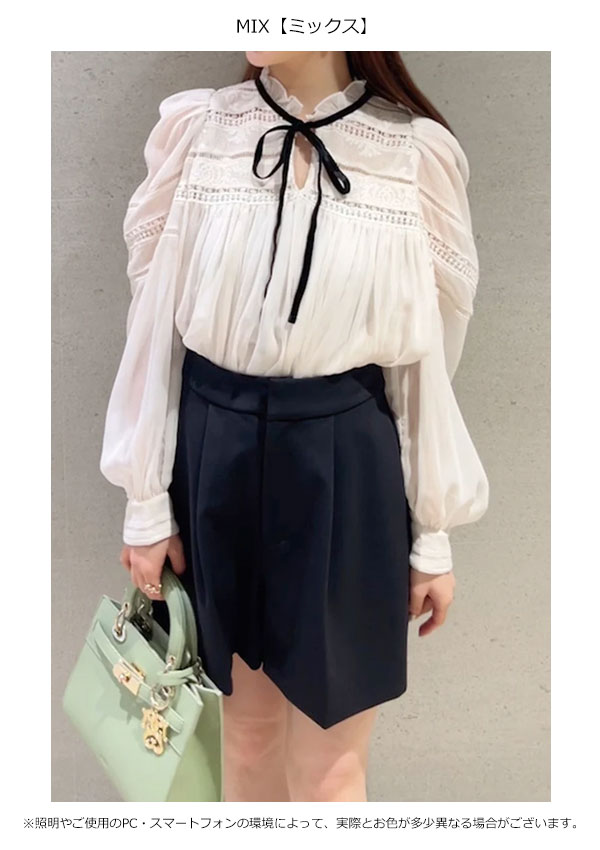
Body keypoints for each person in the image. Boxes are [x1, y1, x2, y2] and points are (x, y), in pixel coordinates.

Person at [99, 50, 490, 802]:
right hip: (215, 458)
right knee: (243, 743)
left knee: (331, 772)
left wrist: (432, 530)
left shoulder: (411, 156)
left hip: (348, 462)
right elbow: (153, 331)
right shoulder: (199, 131)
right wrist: (145, 502)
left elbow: (425, 366)